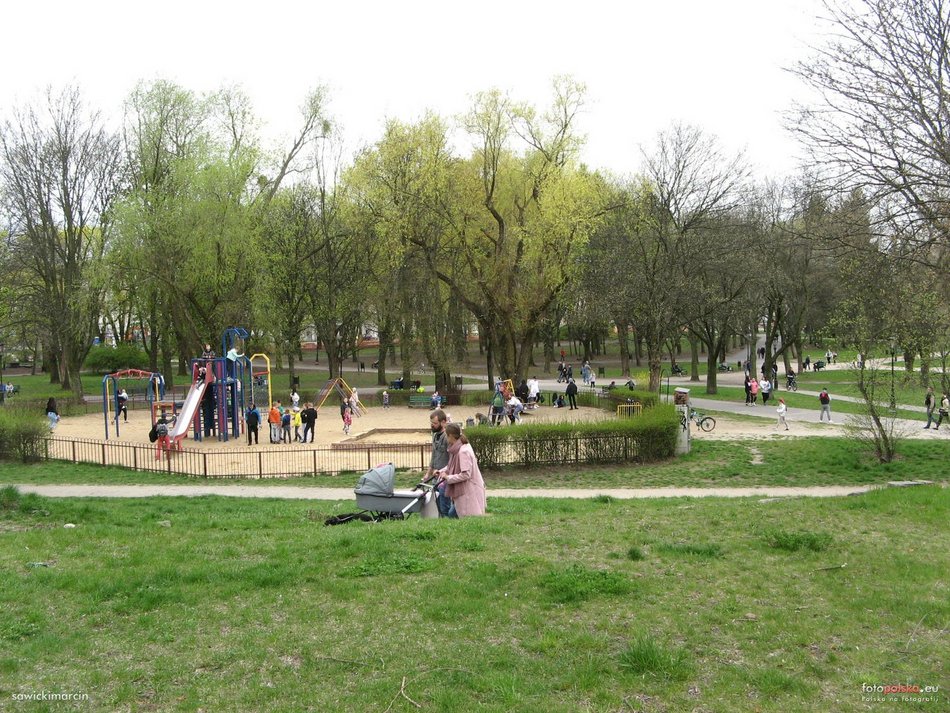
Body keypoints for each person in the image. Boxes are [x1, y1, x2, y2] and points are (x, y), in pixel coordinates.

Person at [434, 423, 487, 517]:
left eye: (446, 436)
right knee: (453, 514)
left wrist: (448, 477)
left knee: (455, 515)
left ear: (450, 436)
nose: (446, 438)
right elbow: (452, 466)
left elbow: (466, 474)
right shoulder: (459, 448)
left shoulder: (463, 451)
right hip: (464, 490)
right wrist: (441, 471)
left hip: (469, 491)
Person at [425, 409, 451, 516]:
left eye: (435, 423)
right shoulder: (435, 436)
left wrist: (445, 472)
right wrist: (428, 473)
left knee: (444, 507)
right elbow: (434, 456)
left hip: (444, 479)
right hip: (435, 477)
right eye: (431, 423)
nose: (432, 425)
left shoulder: (447, 438)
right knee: (436, 506)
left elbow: (453, 459)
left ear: (443, 422)